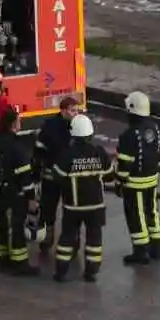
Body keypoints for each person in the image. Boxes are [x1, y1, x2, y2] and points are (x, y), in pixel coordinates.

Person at [51, 113, 113, 283]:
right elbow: (110, 175)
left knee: (67, 237)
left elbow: (57, 176)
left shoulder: (67, 154)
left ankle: (61, 271)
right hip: (96, 206)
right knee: (94, 238)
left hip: (73, 206)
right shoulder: (99, 152)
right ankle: (91, 271)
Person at [115, 91, 160, 265]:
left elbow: (124, 164)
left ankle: (140, 252)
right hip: (152, 179)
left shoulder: (128, 135)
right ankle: (156, 249)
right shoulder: (157, 129)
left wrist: (119, 182)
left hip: (134, 183)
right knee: (152, 212)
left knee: (136, 216)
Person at [0, 108, 40, 276]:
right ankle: (20, 263)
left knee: (3, 225)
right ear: (13, 124)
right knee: (17, 227)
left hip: (1, 191)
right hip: (16, 193)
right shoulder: (18, 147)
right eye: (19, 120)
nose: (21, 123)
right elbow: (25, 176)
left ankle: (4, 258)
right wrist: (31, 198)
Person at [34, 95, 80, 253]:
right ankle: (46, 240)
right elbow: (39, 150)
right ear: (63, 110)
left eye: (77, 110)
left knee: (69, 211)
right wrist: (36, 173)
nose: (76, 114)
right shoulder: (51, 126)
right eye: (73, 110)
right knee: (48, 210)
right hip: (52, 176)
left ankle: (70, 242)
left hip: (64, 176)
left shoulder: (77, 125)